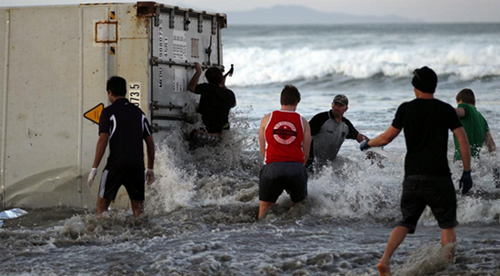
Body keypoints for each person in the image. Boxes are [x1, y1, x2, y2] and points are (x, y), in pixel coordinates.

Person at [359, 66, 472, 276]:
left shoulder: (406, 109)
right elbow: (462, 139)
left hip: (412, 178)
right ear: (435, 86)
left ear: (415, 87)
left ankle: (385, 260)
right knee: (447, 225)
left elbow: (386, 138)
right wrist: (467, 171)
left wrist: (368, 143)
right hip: (439, 178)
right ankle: (446, 268)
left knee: (406, 222)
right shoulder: (445, 109)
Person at [87, 76, 156, 218]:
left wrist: (94, 168)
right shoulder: (139, 113)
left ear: (110, 93)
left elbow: (103, 139)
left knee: (102, 204)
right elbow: (150, 142)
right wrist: (150, 168)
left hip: (115, 165)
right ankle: (143, 237)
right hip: (137, 166)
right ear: (125, 91)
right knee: (138, 209)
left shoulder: (108, 112)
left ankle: (101, 234)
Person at [258, 85, 311, 219]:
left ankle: (260, 236)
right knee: (299, 209)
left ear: (281, 101)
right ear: (296, 102)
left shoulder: (267, 118)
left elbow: (263, 148)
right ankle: (297, 237)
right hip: (296, 168)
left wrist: (273, 164)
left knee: (264, 210)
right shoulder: (303, 121)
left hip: (272, 167)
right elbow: (306, 153)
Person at [307, 94, 369, 169]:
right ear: (332, 105)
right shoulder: (321, 119)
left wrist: (372, 145)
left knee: (352, 168)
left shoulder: (346, 125)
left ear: (346, 108)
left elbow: (358, 136)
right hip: (312, 162)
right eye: (336, 104)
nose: (337, 107)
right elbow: (304, 134)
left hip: (328, 166)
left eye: (341, 105)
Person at [453, 89, 499, 187]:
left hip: (461, 163)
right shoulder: (482, 119)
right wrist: (496, 171)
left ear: (460, 101)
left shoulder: (465, 107)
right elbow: (491, 146)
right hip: (475, 164)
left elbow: (458, 112)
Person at [187, 62, 236, 138]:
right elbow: (234, 104)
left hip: (207, 134)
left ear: (207, 79)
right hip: (222, 134)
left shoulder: (206, 88)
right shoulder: (229, 93)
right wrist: (223, 86)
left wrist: (198, 72)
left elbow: (191, 87)